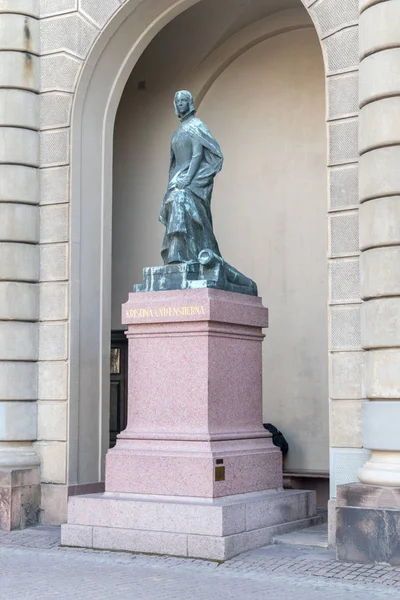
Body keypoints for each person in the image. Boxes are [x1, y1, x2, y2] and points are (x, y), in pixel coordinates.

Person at [159, 90, 223, 264]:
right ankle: (178, 254)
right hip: (177, 179)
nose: (180, 103)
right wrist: (174, 182)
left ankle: (180, 255)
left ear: (189, 103)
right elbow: (173, 163)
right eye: (177, 101)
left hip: (193, 181)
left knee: (181, 200)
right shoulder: (177, 131)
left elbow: (197, 154)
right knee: (174, 201)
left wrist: (188, 179)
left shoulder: (196, 125)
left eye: (183, 100)